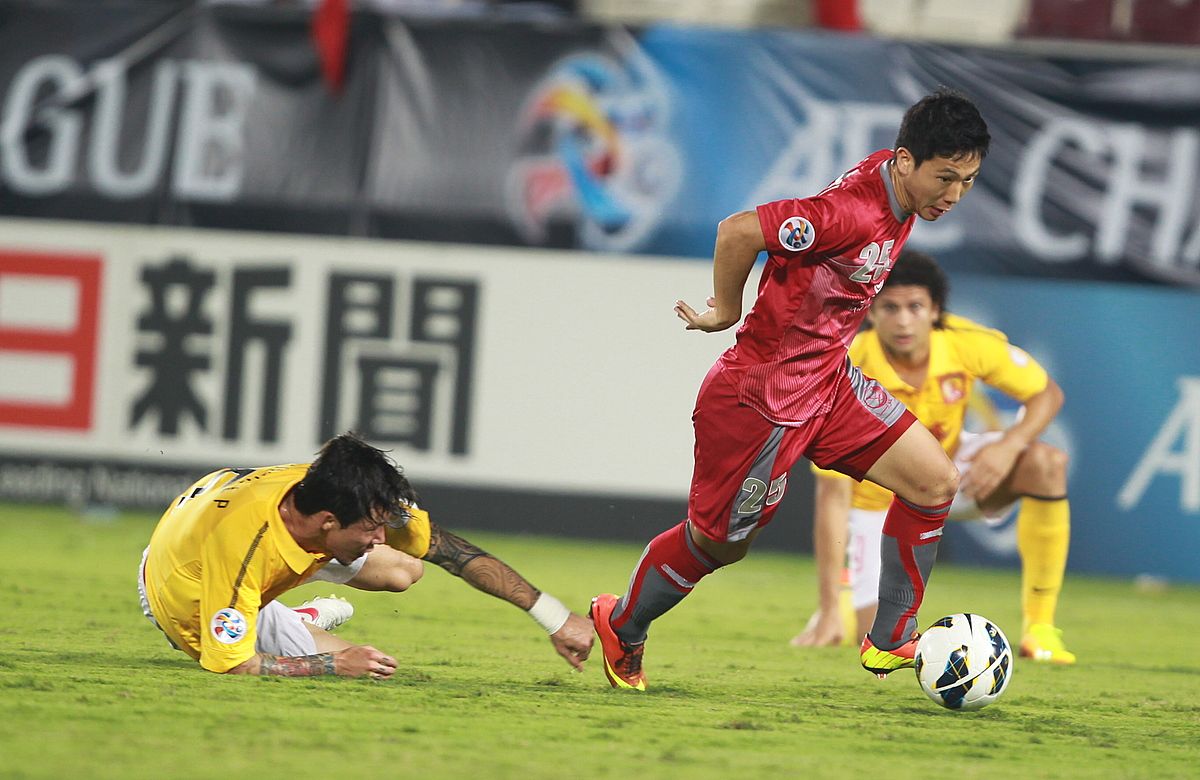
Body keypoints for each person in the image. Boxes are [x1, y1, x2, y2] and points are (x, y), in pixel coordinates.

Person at [588, 88, 991, 690]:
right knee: (719, 546)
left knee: (935, 482)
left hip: (827, 382)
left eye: (968, 180)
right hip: (762, 397)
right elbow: (737, 232)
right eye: (946, 177)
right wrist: (727, 309)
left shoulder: (900, 182)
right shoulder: (851, 213)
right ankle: (623, 624)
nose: (955, 195)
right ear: (905, 161)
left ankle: (890, 640)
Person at [790, 251, 1075, 664]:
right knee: (875, 638)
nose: (903, 321)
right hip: (877, 505)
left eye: (915, 307)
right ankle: (843, 614)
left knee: (1046, 464)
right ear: (870, 311)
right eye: (890, 307)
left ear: (935, 310)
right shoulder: (847, 363)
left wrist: (1009, 446)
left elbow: (1046, 395)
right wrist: (831, 605)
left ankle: (1040, 630)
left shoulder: (965, 342)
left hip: (954, 474)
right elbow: (832, 496)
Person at [138, 432, 594, 677]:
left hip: (207, 529)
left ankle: (295, 610)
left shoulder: (331, 490)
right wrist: (334, 665)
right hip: (186, 597)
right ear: (328, 523)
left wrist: (555, 617)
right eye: (372, 527)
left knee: (404, 570)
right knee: (366, 664)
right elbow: (234, 663)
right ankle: (299, 619)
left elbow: (449, 551)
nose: (381, 537)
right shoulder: (239, 552)